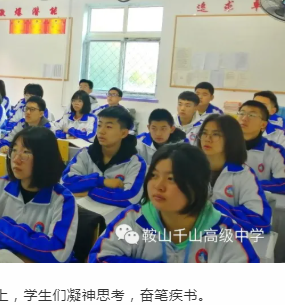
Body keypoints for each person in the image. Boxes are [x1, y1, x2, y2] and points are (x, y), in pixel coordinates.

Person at [89, 143, 259, 263]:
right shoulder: (135, 220)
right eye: (154, 175)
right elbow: (99, 259)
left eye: (171, 178)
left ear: (196, 185)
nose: (158, 186)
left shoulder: (225, 233)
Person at [0, 127, 78, 263]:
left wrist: (1, 226)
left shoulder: (63, 200)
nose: (16, 160)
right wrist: (21, 250)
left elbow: (57, 254)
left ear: (45, 158)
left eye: (26, 152)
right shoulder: (1, 185)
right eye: (14, 150)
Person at [197, 114, 271, 232]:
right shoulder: (190, 169)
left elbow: (261, 221)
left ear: (231, 139)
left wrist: (217, 209)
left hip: (226, 238)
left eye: (215, 134)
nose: (207, 138)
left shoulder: (243, 174)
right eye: (204, 133)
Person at [62, 106, 146, 207]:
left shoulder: (135, 163)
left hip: (114, 216)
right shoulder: (85, 154)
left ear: (123, 133)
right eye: (99, 125)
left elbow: (130, 198)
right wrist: (102, 181)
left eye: (109, 127)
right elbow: (66, 182)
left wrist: (89, 192)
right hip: (82, 211)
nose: (101, 131)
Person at [236, 100, 285, 194]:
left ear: (263, 124)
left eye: (252, 115)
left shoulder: (276, 151)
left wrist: (249, 184)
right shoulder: (223, 146)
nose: (244, 118)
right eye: (241, 113)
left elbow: (283, 184)